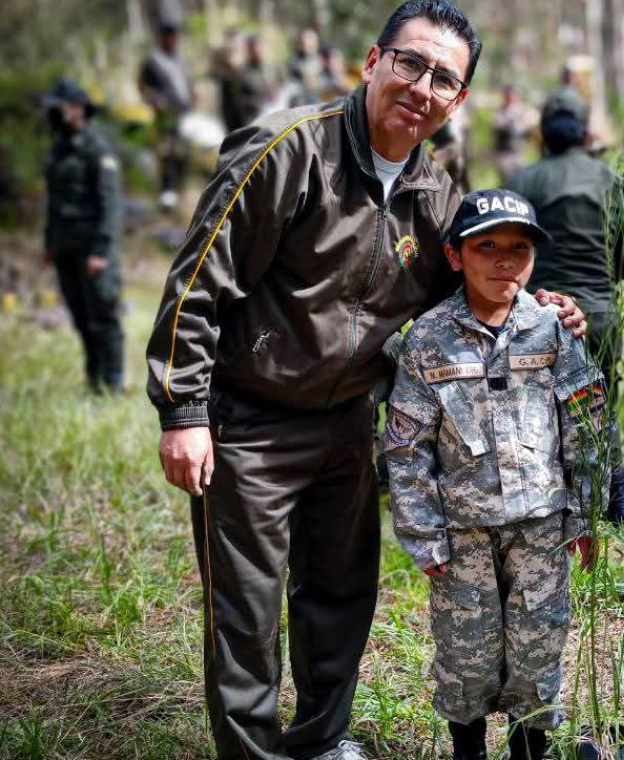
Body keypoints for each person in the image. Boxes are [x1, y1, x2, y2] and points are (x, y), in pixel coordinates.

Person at [144, 3, 585, 759]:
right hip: (250, 419)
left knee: (340, 596)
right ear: (373, 63)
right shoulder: (288, 150)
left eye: (442, 77)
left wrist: (541, 306)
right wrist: (184, 409)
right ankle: (253, 752)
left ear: (459, 100)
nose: (420, 85)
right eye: (409, 63)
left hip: (350, 423)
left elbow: (468, 286)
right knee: (246, 612)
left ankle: (322, 740)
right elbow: (198, 281)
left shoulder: (434, 191)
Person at [386, 188, 599, 760]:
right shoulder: (427, 337)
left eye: (519, 247)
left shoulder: (553, 329)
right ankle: (469, 751)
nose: (504, 260)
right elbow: (407, 450)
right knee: (466, 653)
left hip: (542, 525)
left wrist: (585, 517)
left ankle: (530, 748)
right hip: (462, 533)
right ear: (456, 255)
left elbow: (584, 427)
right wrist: (423, 534)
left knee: (538, 646)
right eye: (487, 247)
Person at [507, 89, 624, 528]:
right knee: (601, 410)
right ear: (586, 132)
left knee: (535, 415)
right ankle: (613, 509)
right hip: (600, 315)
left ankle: (546, 511)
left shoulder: (521, 183)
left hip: (538, 316)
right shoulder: (611, 181)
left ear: (542, 133)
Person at [42, 78, 124, 393]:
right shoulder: (59, 148)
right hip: (65, 245)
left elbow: (111, 206)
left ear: (77, 109)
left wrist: (101, 252)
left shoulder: (97, 149)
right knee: (79, 315)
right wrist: (49, 242)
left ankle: (113, 381)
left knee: (103, 314)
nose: (54, 113)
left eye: (59, 106)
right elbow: (54, 201)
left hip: (93, 247)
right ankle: (94, 378)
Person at [138, 19, 194, 213]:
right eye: (168, 35)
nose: (172, 39)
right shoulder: (153, 61)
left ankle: (181, 189)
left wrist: (195, 94)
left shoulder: (180, 59)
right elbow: (143, 87)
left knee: (183, 152)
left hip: (184, 113)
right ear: (161, 37)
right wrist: (155, 99)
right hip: (165, 115)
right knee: (167, 152)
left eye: (174, 35)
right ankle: (167, 192)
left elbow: (188, 83)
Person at [491, 85, 535, 185]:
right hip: (505, 154)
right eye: (509, 95)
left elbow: (530, 126)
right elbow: (498, 127)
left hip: (519, 153)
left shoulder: (523, 111)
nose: (512, 98)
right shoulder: (500, 113)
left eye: (514, 95)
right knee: (507, 183)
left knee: (522, 183)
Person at [286, 27, 323, 107]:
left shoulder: (321, 62)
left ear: (316, 42)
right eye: (303, 40)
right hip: (298, 104)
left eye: (309, 39)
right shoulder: (294, 61)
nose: (305, 42)